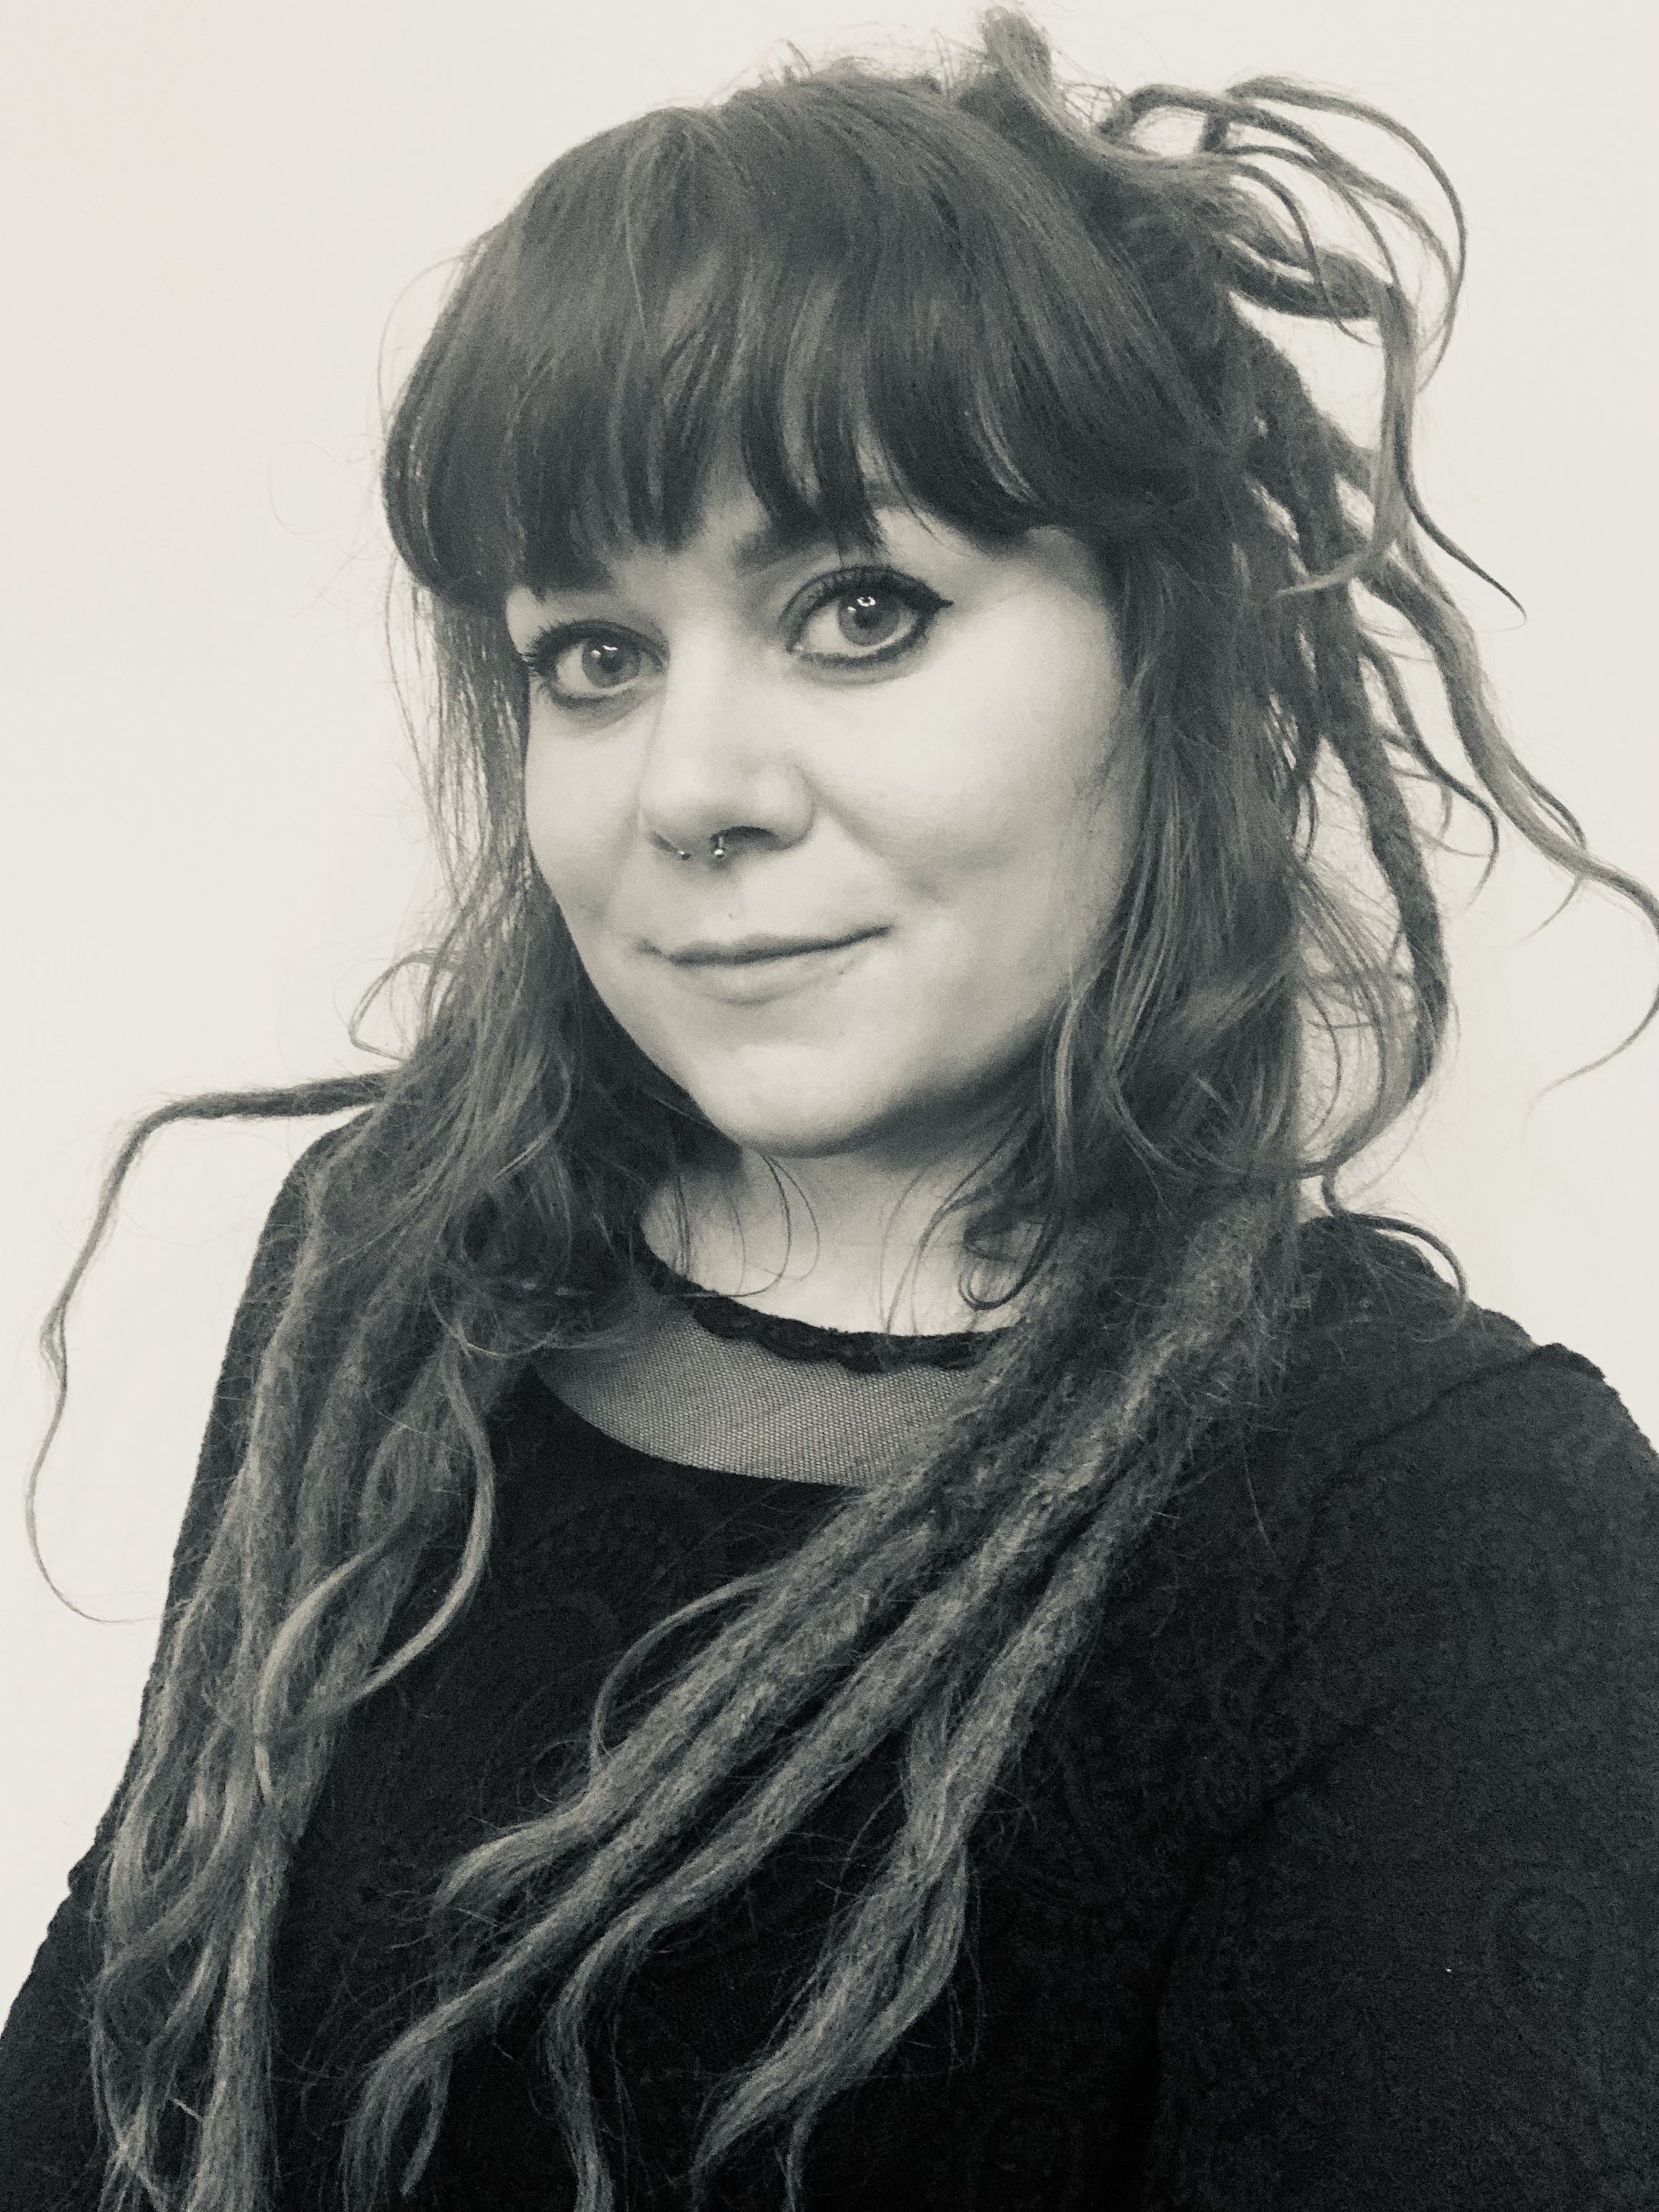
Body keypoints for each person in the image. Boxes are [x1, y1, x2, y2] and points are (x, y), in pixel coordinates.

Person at [2, 11, 1655, 2208]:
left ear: (1160, 657)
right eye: (592, 654)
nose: (689, 786)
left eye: (859, 610)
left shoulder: (1434, 1528)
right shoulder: (387, 1270)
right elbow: (105, 2073)